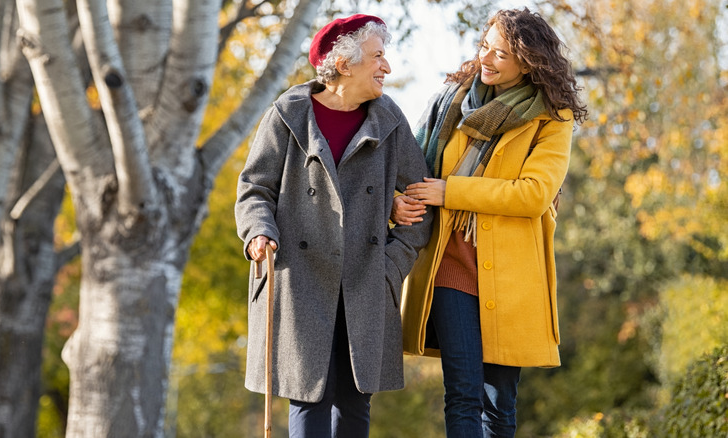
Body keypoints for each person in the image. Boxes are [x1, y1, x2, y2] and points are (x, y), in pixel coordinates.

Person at [235, 14, 433, 437]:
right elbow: (255, 190)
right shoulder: (287, 115)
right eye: (377, 56)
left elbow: (423, 199)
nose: (387, 66)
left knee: (355, 403)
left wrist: (391, 267)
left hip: (365, 281)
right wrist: (258, 232)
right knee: (309, 399)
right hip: (300, 281)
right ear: (343, 64)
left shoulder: (389, 120)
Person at [393, 8, 588, 438]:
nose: (486, 58)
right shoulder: (451, 100)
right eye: (485, 46)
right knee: (463, 393)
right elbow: (407, 170)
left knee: (499, 405)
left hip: (512, 274)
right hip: (449, 263)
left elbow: (533, 194)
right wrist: (395, 203)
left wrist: (452, 192)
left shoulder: (552, 118)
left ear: (529, 63)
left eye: (500, 54)